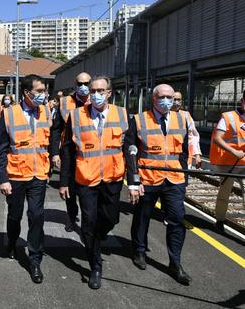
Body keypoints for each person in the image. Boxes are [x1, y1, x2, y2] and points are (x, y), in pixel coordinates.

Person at [59, 76, 128, 289]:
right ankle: (95, 265)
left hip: (112, 177)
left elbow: (130, 149)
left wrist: (134, 181)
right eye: (93, 90)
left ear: (109, 93)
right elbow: (68, 151)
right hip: (86, 179)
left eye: (100, 90)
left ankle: (96, 237)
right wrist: (64, 181)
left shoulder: (122, 114)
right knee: (88, 221)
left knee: (111, 218)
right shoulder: (77, 116)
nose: (96, 94)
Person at [126, 84, 192, 285]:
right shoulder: (139, 120)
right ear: (154, 99)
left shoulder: (182, 119)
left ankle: (175, 262)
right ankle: (139, 250)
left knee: (177, 218)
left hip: (174, 179)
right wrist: (134, 181)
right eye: (163, 97)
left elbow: (183, 151)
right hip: (148, 178)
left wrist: (184, 177)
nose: (167, 101)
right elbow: (130, 153)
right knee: (142, 216)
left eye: (170, 97)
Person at [0, 74, 51, 284]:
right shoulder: (8, 114)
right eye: (39, 91)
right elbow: (0, 149)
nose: (43, 95)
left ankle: (34, 260)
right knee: (15, 215)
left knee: (36, 215)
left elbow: (49, 140)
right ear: (27, 92)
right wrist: (3, 178)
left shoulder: (46, 111)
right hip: (16, 175)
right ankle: (11, 241)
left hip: (39, 174)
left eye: (44, 91)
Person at [50, 72, 91, 232]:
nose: (83, 87)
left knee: (89, 190)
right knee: (69, 189)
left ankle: (89, 221)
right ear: (75, 84)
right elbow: (55, 130)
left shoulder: (94, 100)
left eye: (86, 83)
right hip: (70, 152)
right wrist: (54, 153)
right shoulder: (65, 103)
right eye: (80, 83)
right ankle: (72, 217)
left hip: (91, 154)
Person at [209, 89, 245, 233]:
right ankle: (220, 220)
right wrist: (234, 151)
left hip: (244, 163)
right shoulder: (229, 117)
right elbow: (217, 138)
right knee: (225, 192)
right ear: (242, 101)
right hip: (228, 162)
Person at [172, 91, 202, 168]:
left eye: (179, 100)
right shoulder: (162, 115)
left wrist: (197, 155)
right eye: (174, 99)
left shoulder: (186, 115)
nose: (177, 102)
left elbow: (192, 136)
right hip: (168, 158)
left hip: (184, 158)